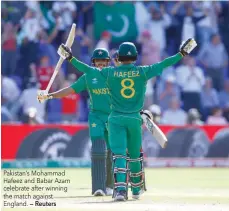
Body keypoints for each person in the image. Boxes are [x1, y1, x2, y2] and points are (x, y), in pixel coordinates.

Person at [57, 37, 197, 201]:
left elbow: (89, 70)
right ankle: (136, 189)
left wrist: (70, 58)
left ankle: (121, 190)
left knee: (119, 154)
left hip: (116, 119)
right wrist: (181, 53)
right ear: (135, 57)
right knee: (135, 154)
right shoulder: (142, 71)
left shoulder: (110, 72)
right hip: (134, 119)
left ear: (119, 58)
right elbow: (164, 63)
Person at [37, 48, 113, 197]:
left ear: (108, 62)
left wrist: (70, 58)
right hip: (96, 116)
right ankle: (98, 187)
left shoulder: (113, 75)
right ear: (94, 62)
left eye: (104, 62)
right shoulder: (88, 76)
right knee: (98, 149)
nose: (101, 65)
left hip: (112, 117)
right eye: (98, 62)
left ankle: (110, 184)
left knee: (112, 152)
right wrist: (50, 96)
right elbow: (69, 90)